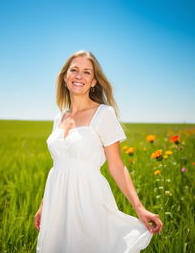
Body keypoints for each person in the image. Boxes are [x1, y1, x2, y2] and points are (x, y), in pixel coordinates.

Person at [34, 50, 163, 253]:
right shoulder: (58, 118)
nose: (79, 76)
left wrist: (139, 208)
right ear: (65, 77)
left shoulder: (104, 114)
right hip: (57, 202)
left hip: (88, 198)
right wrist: (45, 204)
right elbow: (58, 165)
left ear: (94, 81)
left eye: (86, 72)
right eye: (74, 70)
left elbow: (117, 166)